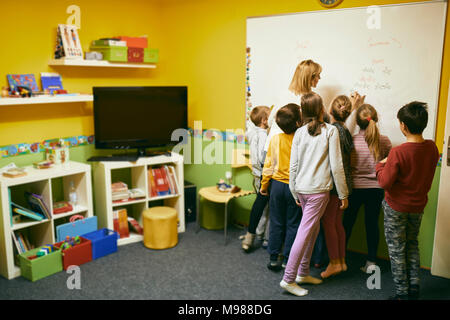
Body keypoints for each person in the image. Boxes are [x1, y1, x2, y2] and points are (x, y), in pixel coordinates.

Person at [280, 92, 349, 297]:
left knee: (311, 229)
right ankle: (289, 278)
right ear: (321, 110)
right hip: (318, 192)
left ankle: (302, 273)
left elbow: (293, 165)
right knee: (305, 232)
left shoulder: (300, 132)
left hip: (302, 189)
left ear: (303, 112)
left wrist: (294, 190)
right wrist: (343, 194)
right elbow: (336, 167)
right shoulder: (330, 131)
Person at [376, 101, 439, 300]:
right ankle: (414, 287)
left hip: (396, 207)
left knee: (396, 250)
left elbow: (385, 182)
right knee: (412, 244)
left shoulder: (398, 152)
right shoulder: (431, 147)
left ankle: (402, 293)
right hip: (417, 206)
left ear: (403, 126)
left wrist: (379, 166)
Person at [342, 104, 392, 273]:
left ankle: (340, 259)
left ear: (357, 122)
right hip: (376, 189)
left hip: (355, 189)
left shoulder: (352, 140)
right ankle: (371, 262)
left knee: (347, 223)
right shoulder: (384, 140)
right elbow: (389, 163)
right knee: (372, 225)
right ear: (375, 119)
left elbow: (347, 164)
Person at [260, 103, 302, 271]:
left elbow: (268, 165)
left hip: (276, 186)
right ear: (299, 122)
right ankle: (287, 259)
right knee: (293, 224)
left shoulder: (275, 139)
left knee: (276, 222)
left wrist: (264, 184)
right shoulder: (300, 139)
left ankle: (273, 257)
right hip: (294, 187)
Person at [320, 95, 354, 278]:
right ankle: (341, 261)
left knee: (328, 222)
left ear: (330, 111)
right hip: (346, 182)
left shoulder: (332, 130)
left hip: (335, 184)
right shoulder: (346, 130)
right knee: (337, 223)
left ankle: (334, 262)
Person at [263, 60, 322, 163]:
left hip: (274, 148)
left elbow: (269, 122)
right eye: (318, 75)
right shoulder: (309, 99)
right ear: (309, 77)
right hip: (283, 152)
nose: (319, 78)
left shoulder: (285, 94)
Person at [241, 106, 271, 252]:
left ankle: (259, 234)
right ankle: (262, 237)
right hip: (263, 175)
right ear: (264, 120)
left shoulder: (252, 133)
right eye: (270, 117)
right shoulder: (264, 136)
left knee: (262, 206)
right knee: (265, 207)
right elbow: (262, 158)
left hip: (256, 175)